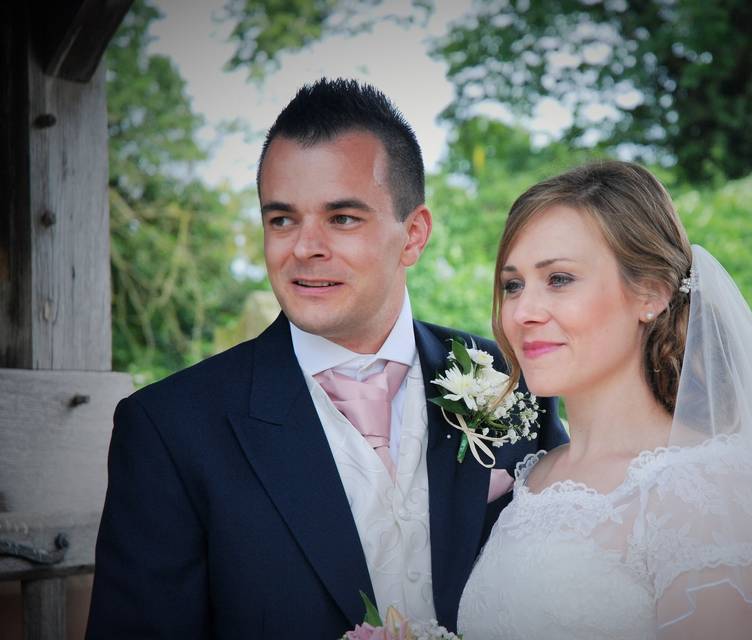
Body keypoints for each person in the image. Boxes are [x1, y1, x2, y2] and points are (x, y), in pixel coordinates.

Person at [86, 78, 566, 639]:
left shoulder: (508, 376)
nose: (304, 247)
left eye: (342, 218)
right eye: (282, 219)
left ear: (413, 235)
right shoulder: (170, 428)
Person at [457, 161, 752, 639]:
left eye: (559, 279)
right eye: (513, 285)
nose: (523, 312)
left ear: (651, 294)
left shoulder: (704, 490)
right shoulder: (531, 475)